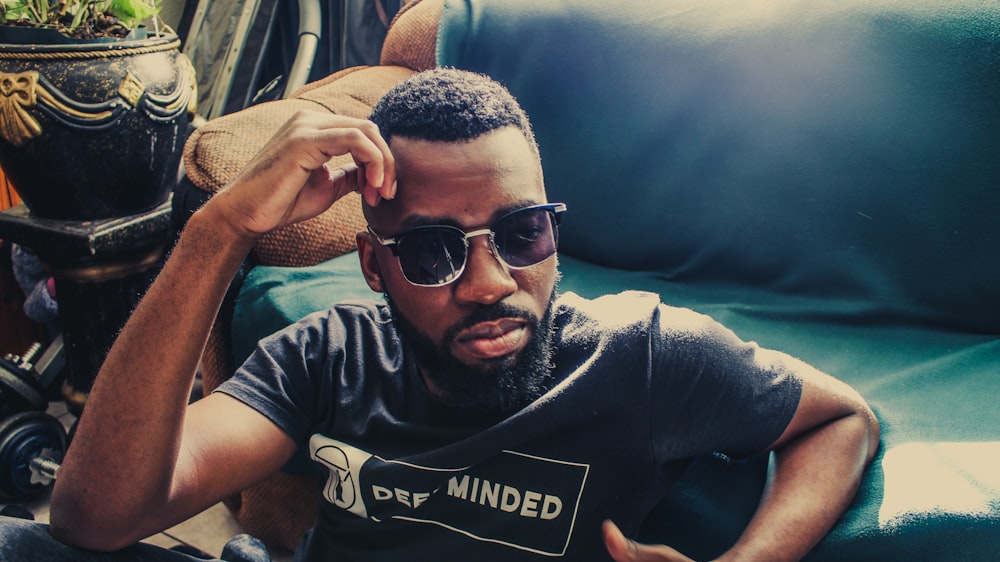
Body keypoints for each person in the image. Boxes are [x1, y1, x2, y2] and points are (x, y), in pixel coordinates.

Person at [0, 68, 879, 561]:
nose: (491, 281)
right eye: (433, 253)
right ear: (374, 267)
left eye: (522, 232)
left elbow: (841, 418)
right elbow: (95, 517)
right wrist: (219, 229)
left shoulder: (642, 356)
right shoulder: (329, 357)